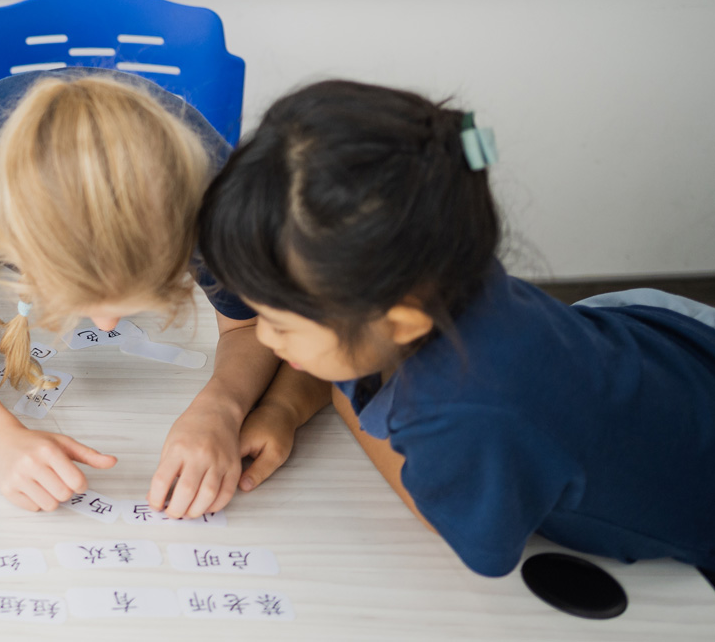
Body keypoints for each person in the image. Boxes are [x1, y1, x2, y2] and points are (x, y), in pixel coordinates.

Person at [196, 80, 715, 577]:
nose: (263, 337)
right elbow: (347, 366)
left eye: (281, 323)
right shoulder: (439, 263)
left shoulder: (472, 412)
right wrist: (283, 408)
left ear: (402, 321)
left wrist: (338, 401)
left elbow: (464, 537)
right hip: (673, 355)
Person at [0, 69, 304, 516]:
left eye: (132, 302)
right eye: (82, 305)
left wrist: (223, 408)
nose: (109, 327)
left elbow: (248, 324)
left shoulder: (209, 189)